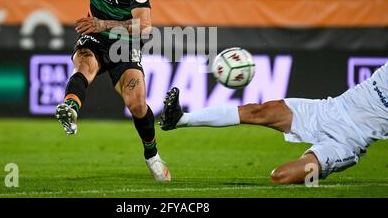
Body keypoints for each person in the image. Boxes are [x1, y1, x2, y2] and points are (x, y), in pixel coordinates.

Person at [54, 0, 170, 182]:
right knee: (83, 64)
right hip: (93, 39)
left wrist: (102, 24)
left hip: (122, 44)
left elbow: (144, 25)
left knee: (137, 104)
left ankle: (152, 155)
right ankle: (70, 108)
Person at [160, 62, 388, 184]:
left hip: (346, 143)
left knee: (280, 176)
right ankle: (181, 119)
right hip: (328, 110)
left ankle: (318, 171)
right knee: (260, 110)